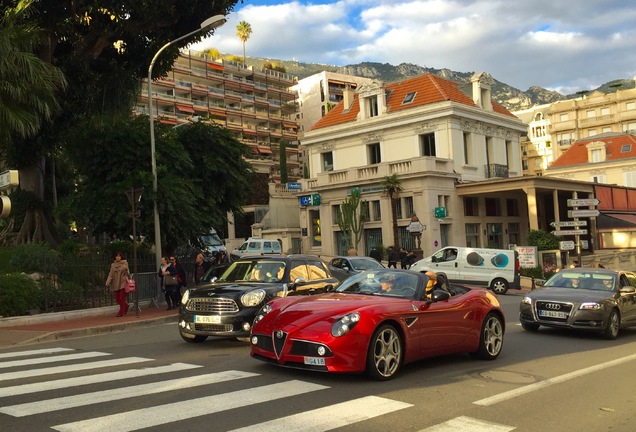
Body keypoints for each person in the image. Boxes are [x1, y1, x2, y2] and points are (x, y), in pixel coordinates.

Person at [105, 251, 130, 317]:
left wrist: (126, 269)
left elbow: (128, 273)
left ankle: (121, 312)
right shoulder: (113, 265)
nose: (117, 257)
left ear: (121, 257)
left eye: (119, 256)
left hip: (123, 282)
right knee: (117, 298)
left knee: (122, 298)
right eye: (116, 256)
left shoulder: (125, 263)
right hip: (116, 283)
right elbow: (111, 274)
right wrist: (108, 282)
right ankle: (126, 306)